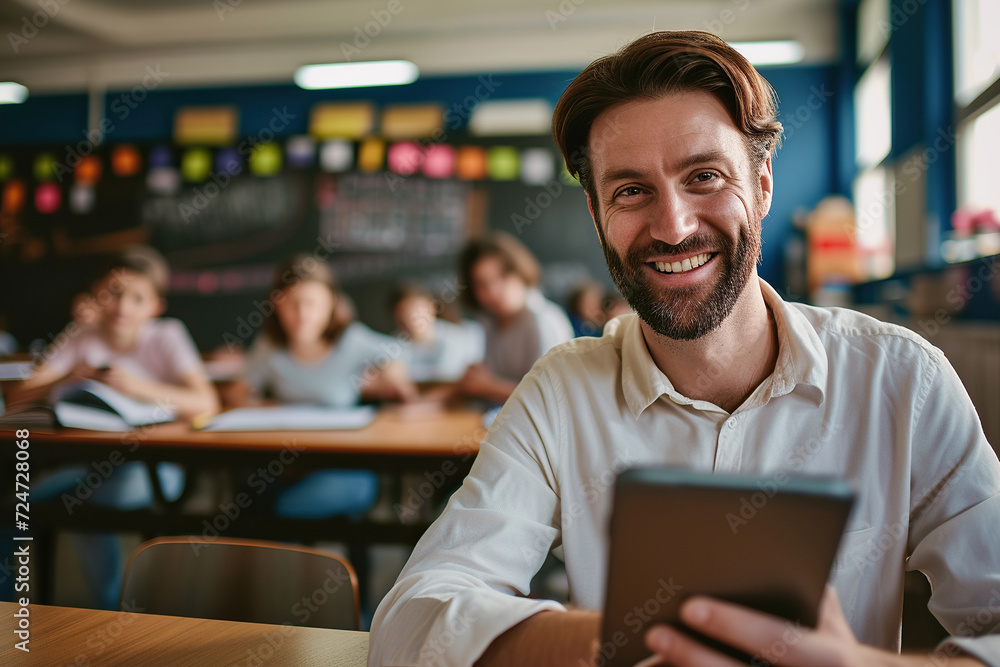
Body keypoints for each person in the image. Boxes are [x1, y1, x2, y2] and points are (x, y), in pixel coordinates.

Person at [368, 30, 1000, 667]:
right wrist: (635, 645)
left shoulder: (900, 379)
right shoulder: (561, 393)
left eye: (704, 176)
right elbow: (410, 623)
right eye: (631, 190)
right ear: (596, 215)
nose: (673, 227)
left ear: (762, 184)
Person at [9, 246, 219, 609]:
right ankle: (20, 615)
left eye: (138, 298)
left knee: (61, 502)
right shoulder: (82, 333)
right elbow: (18, 397)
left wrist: (136, 388)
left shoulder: (167, 334)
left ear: (155, 306)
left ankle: (109, 608)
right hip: (85, 464)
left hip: (152, 467)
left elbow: (207, 404)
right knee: (21, 509)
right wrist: (67, 376)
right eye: (114, 293)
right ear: (97, 294)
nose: (123, 307)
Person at [240, 254, 416, 518]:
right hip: (286, 464)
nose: (302, 315)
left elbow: (399, 353)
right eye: (292, 304)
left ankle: (279, 537)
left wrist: (390, 375)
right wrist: (252, 402)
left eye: (311, 304)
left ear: (331, 304)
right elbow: (242, 389)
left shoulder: (350, 340)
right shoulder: (269, 347)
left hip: (344, 465)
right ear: (276, 303)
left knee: (271, 509)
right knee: (250, 494)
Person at [455, 232, 574, 405]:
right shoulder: (489, 321)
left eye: (502, 277)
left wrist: (488, 385)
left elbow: (547, 399)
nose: (493, 291)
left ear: (520, 271)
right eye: (482, 284)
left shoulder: (543, 320)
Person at [391, 282, 484, 384]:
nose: (411, 317)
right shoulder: (394, 346)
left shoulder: (458, 337)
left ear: (432, 307)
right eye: (404, 313)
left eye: (416, 309)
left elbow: (449, 376)